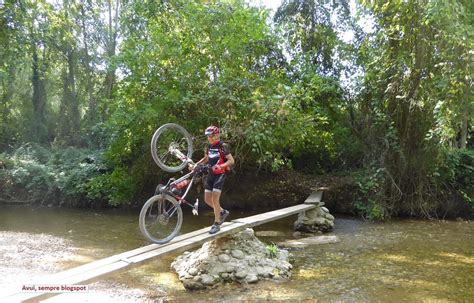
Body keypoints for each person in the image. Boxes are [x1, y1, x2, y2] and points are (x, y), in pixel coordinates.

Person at [192, 125, 235, 234]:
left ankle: (216, 223)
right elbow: (206, 159)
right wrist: (196, 164)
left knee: (215, 199)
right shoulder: (209, 147)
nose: (209, 138)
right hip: (210, 175)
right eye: (208, 136)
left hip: (220, 174)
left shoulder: (223, 146)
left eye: (211, 136)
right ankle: (222, 212)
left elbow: (231, 161)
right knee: (207, 199)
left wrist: (221, 166)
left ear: (217, 135)